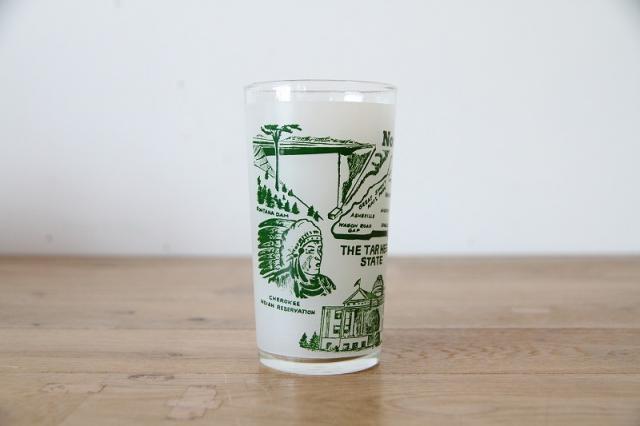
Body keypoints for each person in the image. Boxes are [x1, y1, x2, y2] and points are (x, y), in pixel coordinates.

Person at [258, 218, 335, 298]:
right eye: (310, 251)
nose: (318, 256)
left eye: (319, 250)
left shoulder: (326, 283)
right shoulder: (281, 280)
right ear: (297, 254)